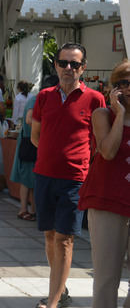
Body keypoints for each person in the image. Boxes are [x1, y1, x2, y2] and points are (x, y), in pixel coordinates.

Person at [31, 43, 106, 308]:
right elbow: (35, 136)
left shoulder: (95, 99)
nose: (68, 69)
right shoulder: (44, 97)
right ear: (56, 66)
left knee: (65, 238)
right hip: (44, 175)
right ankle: (60, 291)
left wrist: (76, 162)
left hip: (75, 179)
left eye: (75, 64)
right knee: (50, 236)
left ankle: (53, 302)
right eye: (64, 63)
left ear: (83, 68)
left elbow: (99, 142)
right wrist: (54, 157)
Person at [78, 60, 130, 308]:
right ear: (115, 88)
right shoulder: (104, 114)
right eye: (124, 83)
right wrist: (120, 114)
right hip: (107, 201)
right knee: (107, 277)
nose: (129, 88)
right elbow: (107, 152)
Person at [10, 76, 58, 222]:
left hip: (36, 142)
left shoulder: (40, 99)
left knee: (34, 179)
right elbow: (29, 119)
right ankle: (23, 209)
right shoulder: (36, 99)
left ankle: (33, 210)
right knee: (26, 179)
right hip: (30, 143)